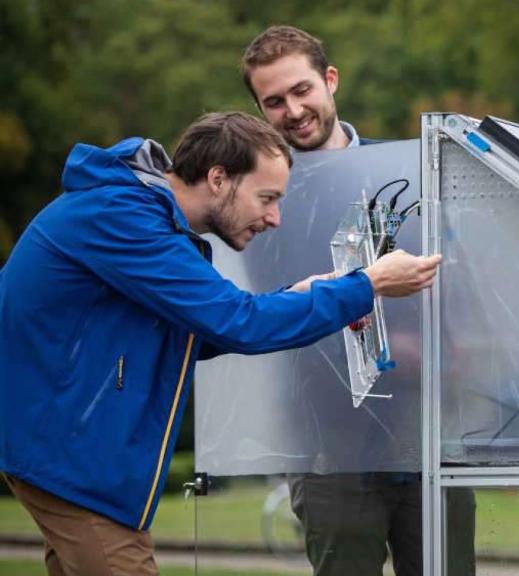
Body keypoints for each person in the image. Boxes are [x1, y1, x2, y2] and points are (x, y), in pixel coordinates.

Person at [0, 111, 441, 575]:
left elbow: (195, 332)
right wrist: (367, 285)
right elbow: (238, 323)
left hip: (63, 450)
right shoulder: (124, 218)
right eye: (267, 198)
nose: (274, 218)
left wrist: (300, 294)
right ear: (217, 179)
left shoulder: (136, 214)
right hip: (69, 456)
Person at [242, 26, 475, 576]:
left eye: (302, 90)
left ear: (330, 80)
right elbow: (268, 310)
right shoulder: (259, 198)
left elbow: (460, 284)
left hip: (426, 429)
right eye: (274, 102)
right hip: (328, 442)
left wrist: (444, 349)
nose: (293, 111)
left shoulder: (410, 173)